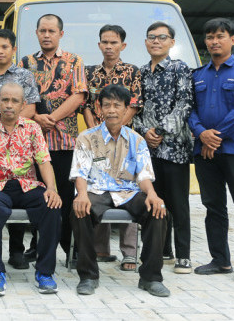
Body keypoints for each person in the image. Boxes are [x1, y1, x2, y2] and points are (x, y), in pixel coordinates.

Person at [70, 85, 169, 297]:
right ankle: (88, 276)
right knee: (80, 210)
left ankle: (151, 278)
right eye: (107, 105)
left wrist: (152, 194)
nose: (112, 110)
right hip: (97, 190)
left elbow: (143, 175)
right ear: (100, 109)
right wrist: (82, 194)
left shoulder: (137, 140)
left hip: (129, 191)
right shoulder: (86, 138)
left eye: (117, 105)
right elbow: (80, 171)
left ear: (126, 109)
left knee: (157, 209)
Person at [0, 82, 62, 296]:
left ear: (23, 105)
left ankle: (45, 273)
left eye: (14, 101)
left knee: (51, 205)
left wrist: (52, 188)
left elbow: (43, 161)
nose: (9, 105)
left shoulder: (32, 128)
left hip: (27, 186)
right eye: (5, 100)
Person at [20, 14, 87, 262]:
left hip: (64, 142)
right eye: (42, 31)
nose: (47, 35)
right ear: (36, 33)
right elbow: (21, 97)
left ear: (61, 33)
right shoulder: (25, 63)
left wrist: (51, 118)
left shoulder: (74, 61)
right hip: (32, 145)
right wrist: (37, 118)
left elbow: (79, 95)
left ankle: (72, 248)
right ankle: (37, 246)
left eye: (51, 31)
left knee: (67, 199)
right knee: (40, 198)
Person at [188, 18, 234, 282]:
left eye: (220, 36)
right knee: (213, 206)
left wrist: (215, 137)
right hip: (205, 151)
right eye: (210, 36)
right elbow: (189, 110)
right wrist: (201, 134)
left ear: (232, 40)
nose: (215, 41)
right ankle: (220, 260)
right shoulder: (197, 75)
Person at [133, 21, 194, 274]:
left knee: (178, 203)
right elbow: (134, 106)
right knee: (154, 201)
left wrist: (159, 131)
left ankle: (183, 255)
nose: (156, 41)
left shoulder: (180, 69)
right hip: (149, 150)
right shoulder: (141, 73)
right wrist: (143, 131)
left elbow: (185, 103)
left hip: (175, 149)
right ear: (146, 42)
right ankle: (162, 250)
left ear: (171, 42)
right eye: (151, 37)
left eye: (162, 37)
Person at [0, 28, 41, 269]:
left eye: (5, 47)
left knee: (17, 193)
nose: (0, 51)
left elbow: (31, 108)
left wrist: (10, 129)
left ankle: (17, 251)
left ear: (13, 50)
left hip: (19, 144)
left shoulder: (25, 76)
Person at [83, 24, 142, 271]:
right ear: (99, 45)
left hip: (124, 141)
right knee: (98, 187)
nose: (109, 46)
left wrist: (115, 128)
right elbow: (85, 104)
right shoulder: (90, 72)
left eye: (114, 42)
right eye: (104, 42)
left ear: (123, 45)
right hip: (97, 141)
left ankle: (129, 253)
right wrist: (95, 133)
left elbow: (135, 104)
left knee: (127, 187)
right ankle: (101, 249)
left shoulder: (132, 72)